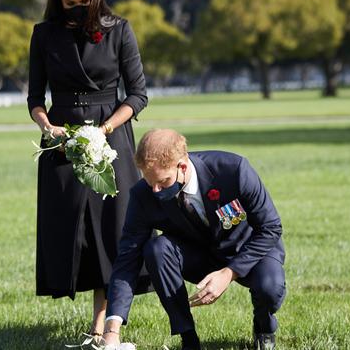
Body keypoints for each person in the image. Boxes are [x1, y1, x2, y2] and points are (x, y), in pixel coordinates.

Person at [27, 0, 151, 340]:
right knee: (70, 228)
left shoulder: (119, 30)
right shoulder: (44, 34)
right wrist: (48, 127)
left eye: (84, 3)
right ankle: (87, 306)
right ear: (58, 1)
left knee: (110, 229)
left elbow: (138, 94)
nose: (78, 8)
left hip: (110, 136)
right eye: (70, 4)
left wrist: (105, 129)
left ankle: (103, 323)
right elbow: (36, 97)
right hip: (61, 138)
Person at [102, 129, 287, 350]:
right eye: (149, 182)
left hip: (249, 248)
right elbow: (128, 258)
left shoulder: (233, 170)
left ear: (182, 166)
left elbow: (270, 228)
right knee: (157, 249)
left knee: (270, 288)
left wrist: (229, 273)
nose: (155, 189)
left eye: (162, 182)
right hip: (199, 255)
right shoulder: (143, 195)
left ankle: (263, 327)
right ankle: (188, 338)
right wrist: (112, 329)